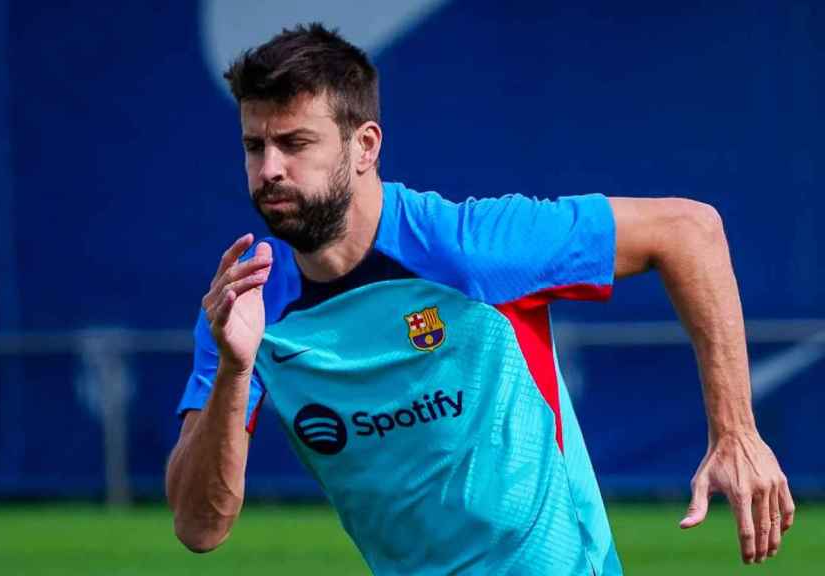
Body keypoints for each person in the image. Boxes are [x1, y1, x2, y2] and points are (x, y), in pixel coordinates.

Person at [165, 23, 794, 575]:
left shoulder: (468, 249)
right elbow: (200, 527)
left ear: (365, 147)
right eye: (255, 146)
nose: (269, 167)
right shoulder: (240, 308)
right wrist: (234, 368)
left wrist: (736, 432)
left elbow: (689, 230)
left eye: (295, 144)